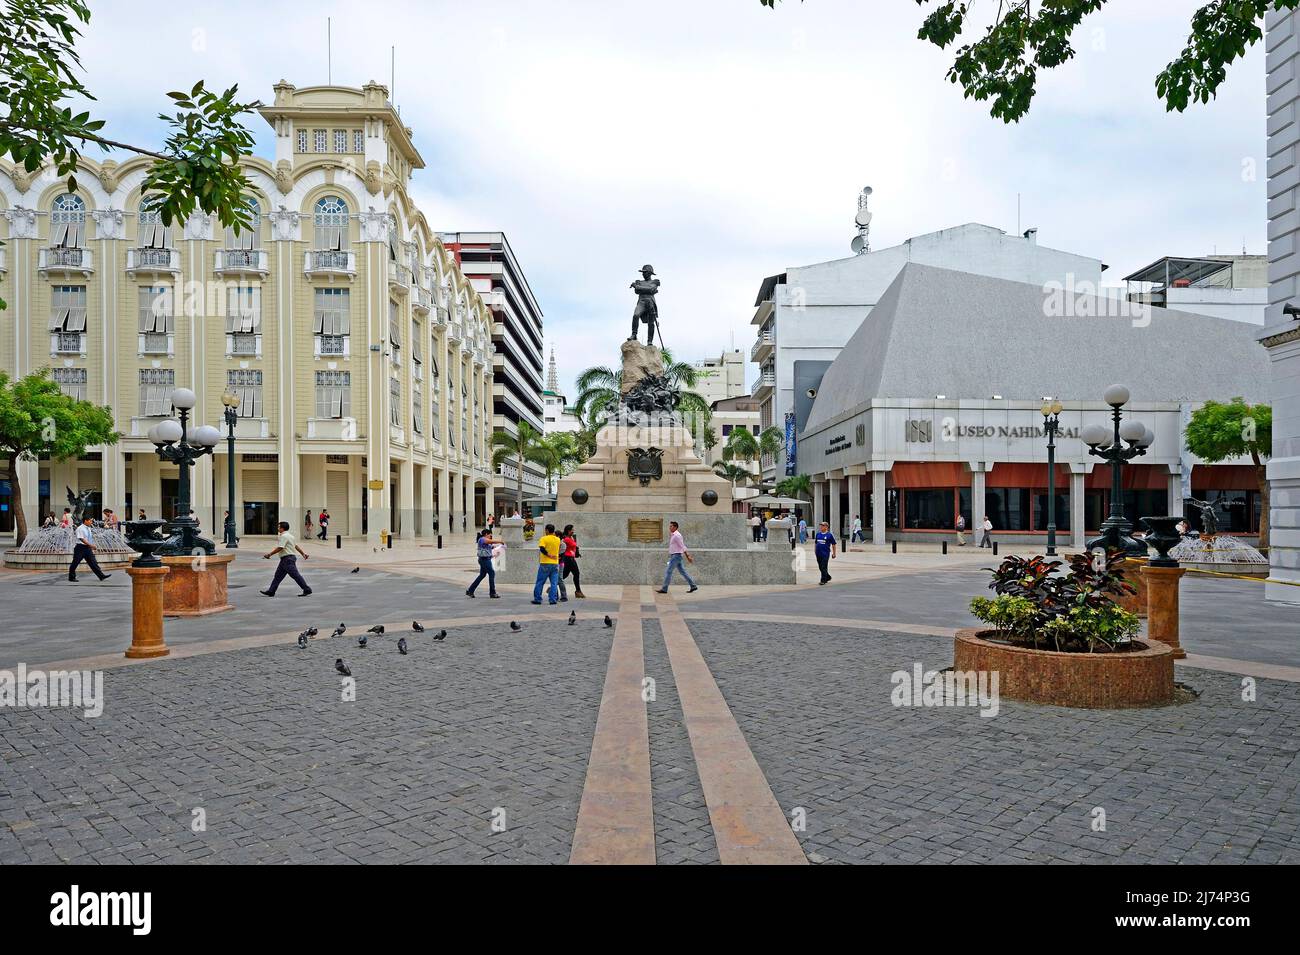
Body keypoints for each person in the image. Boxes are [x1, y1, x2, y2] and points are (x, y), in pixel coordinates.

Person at [260, 521, 312, 597]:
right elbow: (296, 546)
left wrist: (269, 554)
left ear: (282, 528)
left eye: (279, 527)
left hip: (287, 559)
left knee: (295, 575)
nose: (278, 528)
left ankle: (307, 589)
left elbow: (281, 547)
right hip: (286, 559)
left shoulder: (283, 536)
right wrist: (303, 554)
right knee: (278, 576)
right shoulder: (291, 536)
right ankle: (271, 591)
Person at [657, 520, 697, 593]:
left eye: (671, 526)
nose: (670, 527)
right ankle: (693, 585)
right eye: (670, 526)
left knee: (668, 571)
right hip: (676, 556)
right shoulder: (674, 535)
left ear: (675, 527)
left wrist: (688, 556)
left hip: (676, 556)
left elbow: (682, 546)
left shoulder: (677, 535)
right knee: (683, 572)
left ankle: (664, 589)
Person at [68, 514, 112, 583]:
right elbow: (82, 539)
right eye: (90, 521)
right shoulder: (80, 528)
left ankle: (101, 576)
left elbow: (88, 538)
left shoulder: (88, 528)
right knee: (75, 563)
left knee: (93, 562)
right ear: (86, 521)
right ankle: (71, 577)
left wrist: (91, 545)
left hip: (87, 548)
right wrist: (91, 545)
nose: (91, 522)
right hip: (80, 548)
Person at [531, 523, 562, 605]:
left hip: (545, 563)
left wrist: (549, 555)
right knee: (554, 583)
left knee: (540, 582)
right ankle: (552, 599)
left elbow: (542, 549)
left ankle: (537, 599)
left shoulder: (543, 538)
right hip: (555, 564)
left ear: (547, 530)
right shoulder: (558, 539)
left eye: (545, 530)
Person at [467, 526, 501, 598]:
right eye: (490, 534)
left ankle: (470, 590)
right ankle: (492, 593)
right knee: (491, 573)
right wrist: (500, 541)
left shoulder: (486, 542)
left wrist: (497, 550)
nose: (490, 536)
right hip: (484, 560)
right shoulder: (482, 539)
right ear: (486, 534)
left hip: (485, 559)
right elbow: (491, 542)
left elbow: (490, 549)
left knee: (482, 575)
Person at [560, 524, 585, 599]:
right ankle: (578, 591)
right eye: (572, 530)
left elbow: (573, 547)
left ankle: (552, 587)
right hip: (568, 559)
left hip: (570, 558)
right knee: (576, 573)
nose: (573, 531)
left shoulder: (571, 538)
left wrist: (577, 553)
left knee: (564, 575)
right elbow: (564, 547)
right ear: (568, 531)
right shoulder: (566, 539)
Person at [814, 519, 837, 585]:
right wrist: (815, 550)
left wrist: (834, 553)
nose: (821, 527)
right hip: (818, 553)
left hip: (825, 554)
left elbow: (833, 544)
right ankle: (827, 577)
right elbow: (816, 543)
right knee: (820, 567)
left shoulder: (829, 535)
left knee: (824, 566)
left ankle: (823, 580)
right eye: (820, 526)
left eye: (823, 526)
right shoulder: (818, 534)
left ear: (826, 527)